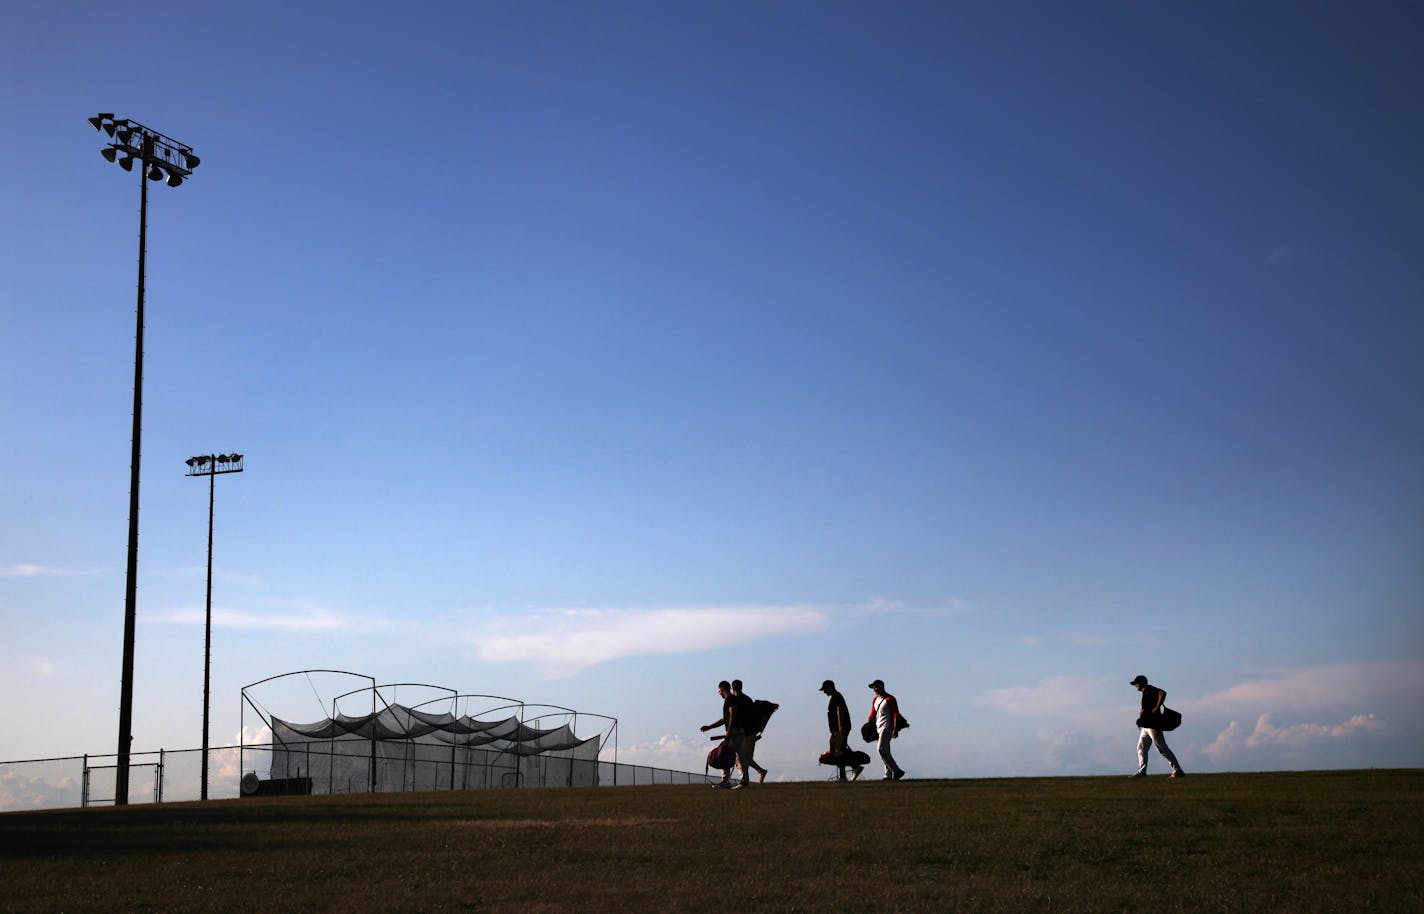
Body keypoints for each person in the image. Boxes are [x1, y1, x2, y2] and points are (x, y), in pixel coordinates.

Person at [1130, 674, 1185, 778]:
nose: (1135, 685)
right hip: (1146, 726)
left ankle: (1177, 770)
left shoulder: (1149, 689)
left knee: (1162, 748)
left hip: (1153, 725)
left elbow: (1163, 693)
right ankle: (1142, 772)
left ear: (1141, 683)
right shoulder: (1145, 692)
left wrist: (1157, 706)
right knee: (1141, 747)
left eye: (1136, 683)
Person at [700, 680, 750, 788]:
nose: (719, 694)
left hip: (735, 733)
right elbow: (725, 719)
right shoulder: (731, 699)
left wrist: (729, 731)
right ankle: (734, 781)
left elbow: (732, 714)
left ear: (722, 690)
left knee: (725, 754)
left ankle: (732, 781)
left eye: (719, 691)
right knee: (735, 756)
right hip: (737, 732)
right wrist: (709, 727)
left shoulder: (730, 699)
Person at [820, 679, 862, 781]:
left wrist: (840, 729)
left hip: (840, 729)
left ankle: (844, 776)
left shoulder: (836, 697)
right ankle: (854, 767)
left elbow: (839, 712)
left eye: (825, 689)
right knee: (839, 751)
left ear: (830, 687)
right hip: (838, 729)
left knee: (838, 751)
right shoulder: (835, 697)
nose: (824, 692)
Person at [730, 680, 768, 783]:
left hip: (743, 733)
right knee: (745, 757)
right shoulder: (748, 699)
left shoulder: (735, 701)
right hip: (751, 732)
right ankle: (758, 772)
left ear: (732, 689)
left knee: (742, 758)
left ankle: (746, 779)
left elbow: (732, 717)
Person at [868, 679, 906, 781]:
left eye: (876, 687)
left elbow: (895, 714)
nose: (874, 689)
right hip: (878, 727)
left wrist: (895, 728)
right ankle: (888, 774)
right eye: (873, 687)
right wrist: (868, 724)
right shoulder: (875, 699)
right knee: (885, 751)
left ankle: (897, 771)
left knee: (881, 749)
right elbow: (872, 713)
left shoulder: (890, 699)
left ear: (882, 687)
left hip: (887, 727)